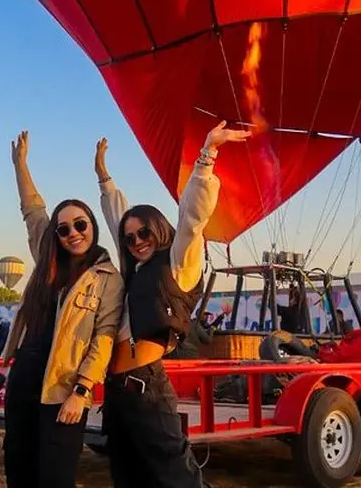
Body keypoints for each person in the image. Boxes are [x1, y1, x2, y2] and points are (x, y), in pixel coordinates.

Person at [95, 121, 250, 488]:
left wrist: (207, 155)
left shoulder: (178, 263)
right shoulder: (134, 271)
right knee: (128, 476)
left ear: (159, 231)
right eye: (130, 238)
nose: (136, 241)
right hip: (116, 390)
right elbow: (118, 217)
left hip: (146, 387)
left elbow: (192, 220)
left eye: (144, 233)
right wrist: (104, 177)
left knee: (178, 478)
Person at [2, 130, 124, 488]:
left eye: (81, 224)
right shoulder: (46, 258)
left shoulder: (106, 277)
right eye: (64, 228)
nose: (73, 233)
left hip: (63, 386)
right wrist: (20, 164)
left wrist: (83, 390)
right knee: (18, 467)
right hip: (25, 374)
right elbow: (32, 209)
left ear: (93, 227)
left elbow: (103, 337)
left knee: (55, 475)